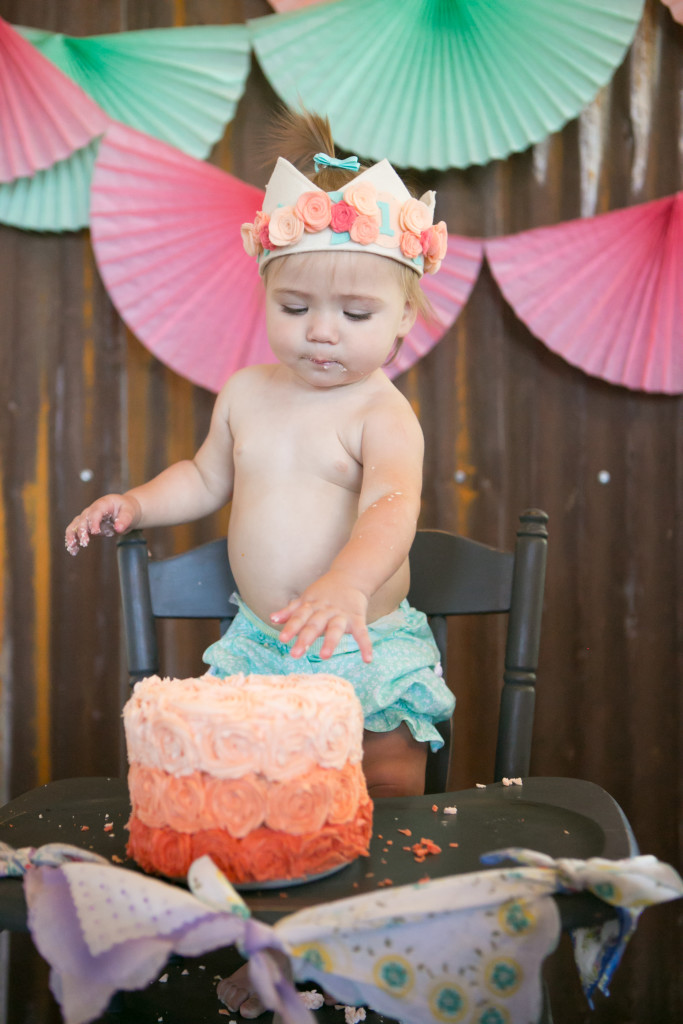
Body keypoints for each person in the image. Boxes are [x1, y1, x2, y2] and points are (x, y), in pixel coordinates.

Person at [65, 109, 454, 1017]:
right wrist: (135, 503)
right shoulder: (246, 392)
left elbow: (394, 509)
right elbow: (203, 477)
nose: (322, 332)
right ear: (265, 296)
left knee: (383, 791)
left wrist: (345, 582)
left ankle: (364, 943)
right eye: (294, 307)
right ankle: (272, 954)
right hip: (266, 649)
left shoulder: (382, 413)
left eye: (354, 313)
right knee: (257, 812)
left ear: (404, 318)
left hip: (361, 639)